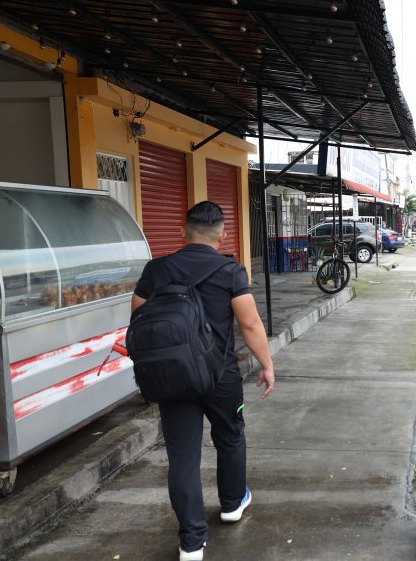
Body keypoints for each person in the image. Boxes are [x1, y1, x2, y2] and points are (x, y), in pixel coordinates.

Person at [132, 201, 275, 561]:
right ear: (223, 234)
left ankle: (191, 542)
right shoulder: (230, 271)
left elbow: (139, 319)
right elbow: (249, 323)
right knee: (230, 436)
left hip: (173, 375)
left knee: (182, 456)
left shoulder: (157, 269)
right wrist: (267, 365)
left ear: (184, 231)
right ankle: (231, 503)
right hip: (219, 375)